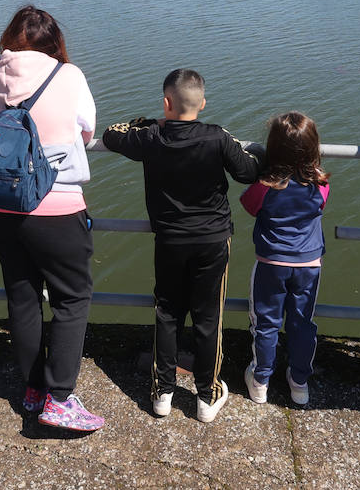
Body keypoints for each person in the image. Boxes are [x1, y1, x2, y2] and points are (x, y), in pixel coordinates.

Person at [102, 69, 261, 423]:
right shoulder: (217, 137)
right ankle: (207, 395)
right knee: (209, 316)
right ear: (202, 104)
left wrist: (149, 120)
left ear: (166, 102)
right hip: (213, 240)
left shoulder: (151, 137)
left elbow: (111, 135)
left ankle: (163, 392)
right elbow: (249, 171)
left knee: (167, 312)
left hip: (170, 240)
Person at [0, 5, 103, 432]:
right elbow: (86, 129)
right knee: (71, 298)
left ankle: (32, 390)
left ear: (10, 37)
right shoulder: (70, 75)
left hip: (2, 208)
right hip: (57, 207)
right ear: (55, 43)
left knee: (23, 296)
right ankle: (60, 398)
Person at [239, 111, 329, 408]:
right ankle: (299, 382)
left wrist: (264, 170)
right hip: (309, 265)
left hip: (271, 264)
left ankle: (261, 380)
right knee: (302, 323)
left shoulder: (264, 188)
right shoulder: (320, 184)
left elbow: (248, 206)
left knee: (266, 323)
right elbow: (321, 205)